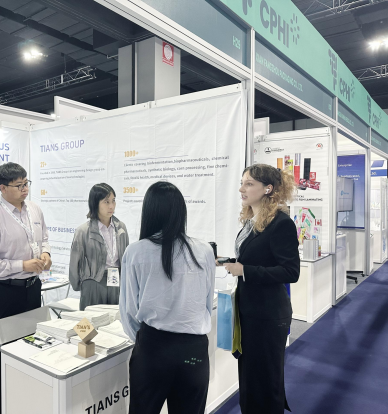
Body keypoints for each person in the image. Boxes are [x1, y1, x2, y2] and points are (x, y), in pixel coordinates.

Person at [120, 181, 216, 414]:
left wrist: (145, 340)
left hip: (153, 350)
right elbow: (206, 303)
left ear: (149, 211)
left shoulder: (135, 252)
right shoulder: (204, 250)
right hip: (193, 352)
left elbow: (129, 311)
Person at [0, 162, 51, 414]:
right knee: (0, 354)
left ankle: (25, 404)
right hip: (3, 293)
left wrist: (46, 254)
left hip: (32, 288)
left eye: (26, 183)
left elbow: (44, 238)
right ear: (3, 188)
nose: (25, 189)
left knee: (30, 348)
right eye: (19, 185)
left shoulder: (34, 209)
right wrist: (22, 265)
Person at [223, 164, 299, 414]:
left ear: (268, 189)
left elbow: (290, 272)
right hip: (250, 312)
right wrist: (228, 263)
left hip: (268, 316)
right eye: (242, 183)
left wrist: (245, 270)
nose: (241, 189)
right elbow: (256, 258)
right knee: (250, 381)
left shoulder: (281, 223)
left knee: (266, 384)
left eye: (249, 184)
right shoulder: (251, 221)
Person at [69, 183, 129, 310]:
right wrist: (81, 285)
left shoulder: (121, 228)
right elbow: (74, 263)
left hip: (116, 281)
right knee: (91, 320)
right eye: (106, 202)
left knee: (116, 319)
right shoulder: (83, 231)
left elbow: (126, 259)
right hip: (93, 283)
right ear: (95, 203)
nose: (111, 206)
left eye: (113, 201)